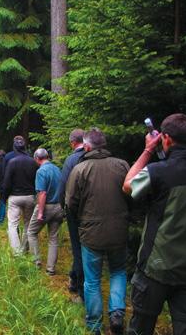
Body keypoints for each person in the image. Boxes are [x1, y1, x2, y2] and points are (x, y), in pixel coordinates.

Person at [122, 113, 186, 335]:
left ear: (165, 138)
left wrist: (148, 150)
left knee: (141, 327)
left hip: (155, 267)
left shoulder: (158, 171)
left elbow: (128, 185)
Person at [65, 128, 130, 335]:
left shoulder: (80, 169)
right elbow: (131, 195)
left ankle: (94, 325)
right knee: (118, 271)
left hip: (90, 233)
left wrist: (80, 220)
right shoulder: (122, 165)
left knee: (92, 280)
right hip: (119, 231)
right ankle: (117, 312)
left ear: (86, 146)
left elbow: (70, 203)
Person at [27, 148, 64, 275]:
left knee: (31, 233)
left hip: (46, 206)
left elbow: (42, 193)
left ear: (37, 158)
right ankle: (50, 269)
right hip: (59, 206)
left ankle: (35, 262)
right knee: (53, 238)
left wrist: (40, 212)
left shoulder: (41, 171)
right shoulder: (57, 169)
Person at [59, 129, 85, 299]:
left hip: (76, 211)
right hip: (99, 211)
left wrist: (64, 208)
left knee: (79, 249)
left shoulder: (71, 160)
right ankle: (75, 278)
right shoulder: (110, 159)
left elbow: (63, 186)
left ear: (73, 142)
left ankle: (80, 289)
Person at [3, 137, 38, 255]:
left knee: (12, 224)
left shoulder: (12, 162)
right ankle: (24, 249)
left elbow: (6, 182)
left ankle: (17, 252)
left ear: (14, 147)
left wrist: (4, 197)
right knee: (28, 223)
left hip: (15, 197)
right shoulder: (33, 162)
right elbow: (36, 180)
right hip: (30, 196)